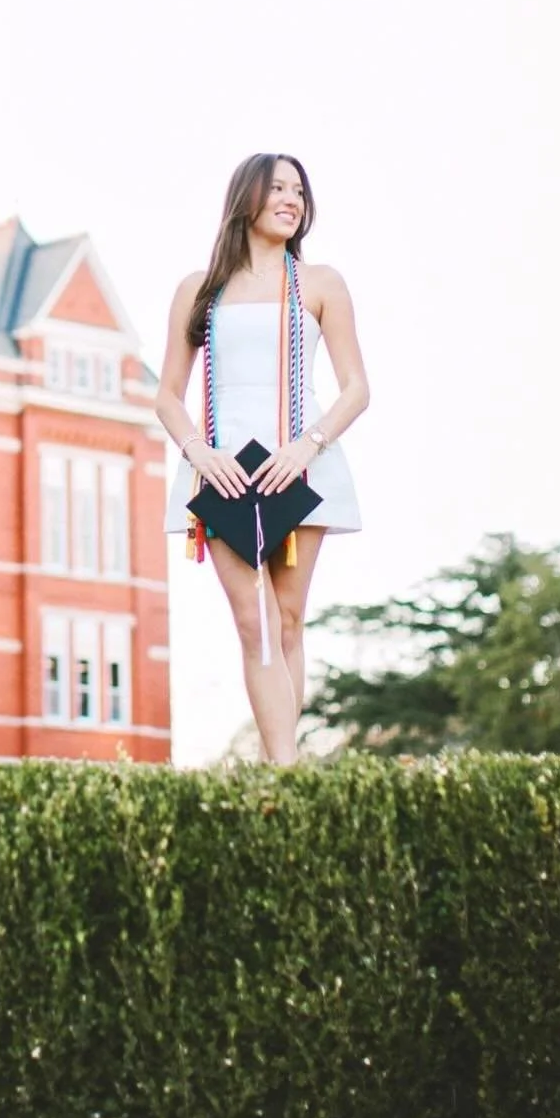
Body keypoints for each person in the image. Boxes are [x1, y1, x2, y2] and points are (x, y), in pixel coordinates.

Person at [156, 153, 369, 763]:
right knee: (256, 623)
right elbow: (167, 396)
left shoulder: (322, 283)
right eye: (277, 187)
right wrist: (199, 451)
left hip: (302, 465)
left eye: (298, 191)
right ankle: (286, 772)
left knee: (291, 620)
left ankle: (284, 768)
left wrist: (310, 444)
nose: (291, 199)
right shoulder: (199, 289)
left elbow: (357, 388)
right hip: (222, 472)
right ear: (246, 197)